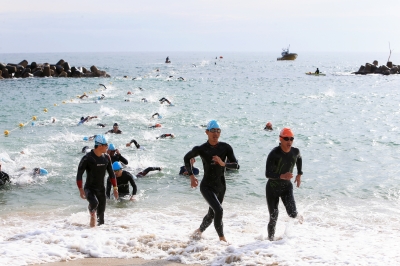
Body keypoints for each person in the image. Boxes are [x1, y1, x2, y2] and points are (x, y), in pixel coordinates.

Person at [183, 120, 239, 242]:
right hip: (207, 186)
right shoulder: (201, 149)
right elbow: (186, 158)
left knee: (212, 214)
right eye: (213, 131)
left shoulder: (226, 147)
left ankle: (198, 232)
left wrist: (222, 163)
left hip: (221, 186)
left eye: (218, 131)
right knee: (219, 210)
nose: (215, 133)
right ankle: (222, 239)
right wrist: (191, 176)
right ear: (207, 132)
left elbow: (236, 165)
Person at [265, 127, 303, 241]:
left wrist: (299, 173)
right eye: (286, 139)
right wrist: (282, 176)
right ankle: (269, 241)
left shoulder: (295, 151)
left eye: (291, 139)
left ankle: (299, 216)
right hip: (272, 189)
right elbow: (267, 173)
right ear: (280, 139)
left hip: (286, 187)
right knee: (273, 217)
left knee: (292, 214)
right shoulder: (274, 154)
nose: (289, 141)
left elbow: (299, 158)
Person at [76, 135, 118, 227]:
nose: (107, 147)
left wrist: (115, 188)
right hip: (89, 189)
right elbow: (79, 174)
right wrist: (81, 189)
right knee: (94, 203)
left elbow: (111, 173)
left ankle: (97, 236)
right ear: (99, 146)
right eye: (106, 145)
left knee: (101, 220)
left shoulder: (106, 157)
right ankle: (91, 211)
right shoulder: (87, 158)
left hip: (101, 190)